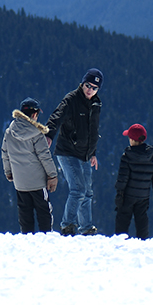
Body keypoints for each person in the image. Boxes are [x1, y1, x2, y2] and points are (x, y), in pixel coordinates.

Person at [46, 68, 103, 235]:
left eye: (94, 87)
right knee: (78, 189)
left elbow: (93, 130)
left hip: (85, 154)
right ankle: (67, 225)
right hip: (67, 151)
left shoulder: (96, 104)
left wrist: (92, 153)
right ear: (82, 83)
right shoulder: (71, 99)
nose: (90, 90)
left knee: (88, 192)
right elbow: (57, 115)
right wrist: (49, 134)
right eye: (88, 85)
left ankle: (86, 228)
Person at [2, 97, 59, 233]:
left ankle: (26, 239)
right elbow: (45, 156)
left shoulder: (9, 132)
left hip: (20, 182)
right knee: (44, 212)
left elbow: (5, 154)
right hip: (38, 183)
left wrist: (8, 172)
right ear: (34, 115)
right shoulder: (37, 133)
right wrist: (52, 175)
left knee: (24, 213)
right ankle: (46, 238)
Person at [114, 123, 153, 239]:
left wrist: (119, 194)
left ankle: (120, 243)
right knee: (142, 219)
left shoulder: (127, 156)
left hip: (128, 196)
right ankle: (143, 241)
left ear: (132, 140)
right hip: (143, 196)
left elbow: (122, 178)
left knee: (123, 219)